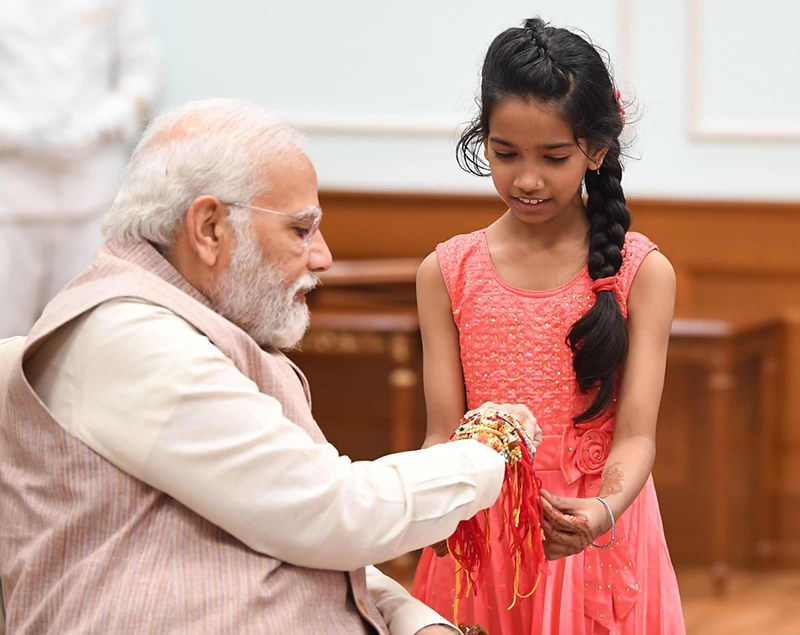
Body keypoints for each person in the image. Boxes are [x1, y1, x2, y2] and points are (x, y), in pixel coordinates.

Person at [0, 99, 543, 634]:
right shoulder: (128, 336)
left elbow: (294, 531)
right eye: (301, 230)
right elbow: (331, 512)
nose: (323, 256)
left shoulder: (193, 323)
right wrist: (488, 450)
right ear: (209, 228)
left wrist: (413, 619)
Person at [411, 17, 686, 634]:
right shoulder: (446, 271)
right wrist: (433, 508)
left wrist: (600, 511)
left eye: (553, 157)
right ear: (483, 140)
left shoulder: (642, 271)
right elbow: (441, 432)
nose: (527, 179)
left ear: (597, 148)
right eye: (505, 154)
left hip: (597, 532)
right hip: (481, 531)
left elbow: (637, 435)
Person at [0, 0, 161, 337]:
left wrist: (103, 123)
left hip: (92, 191)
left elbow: (143, 69)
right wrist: (14, 130)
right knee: (6, 333)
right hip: (12, 194)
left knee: (82, 331)